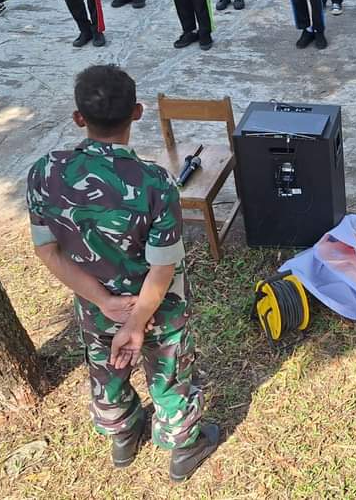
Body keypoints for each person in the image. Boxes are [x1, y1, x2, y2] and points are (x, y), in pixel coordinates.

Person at [27, 64, 220, 482]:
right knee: (169, 370)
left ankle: (123, 435)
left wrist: (105, 302)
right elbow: (162, 267)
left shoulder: (45, 172)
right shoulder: (155, 182)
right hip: (160, 307)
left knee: (106, 367)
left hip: (96, 306)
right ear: (137, 112)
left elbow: (47, 250)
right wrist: (136, 321)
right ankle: (183, 446)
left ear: (79, 118)